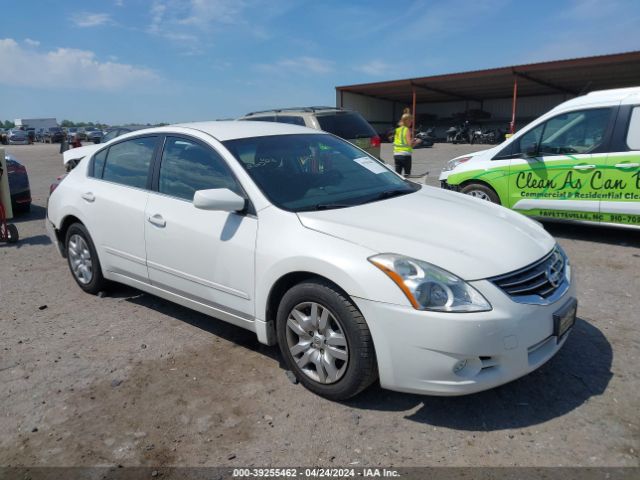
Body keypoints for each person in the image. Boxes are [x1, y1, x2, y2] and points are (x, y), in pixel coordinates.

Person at [393, 108, 421, 176]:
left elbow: (401, 141)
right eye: (411, 121)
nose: (411, 122)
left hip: (396, 155)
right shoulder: (407, 130)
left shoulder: (397, 130)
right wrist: (417, 141)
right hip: (405, 155)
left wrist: (412, 140)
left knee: (398, 175)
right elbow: (410, 145)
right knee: (407, 175)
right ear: (407, 121)